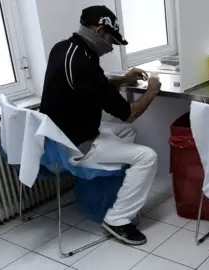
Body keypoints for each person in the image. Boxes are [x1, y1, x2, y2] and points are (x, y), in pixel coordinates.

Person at [40, 5, 162, 245]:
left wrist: (124, 79)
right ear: (98, 30)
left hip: (56, 136)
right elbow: (130, 113)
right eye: (111, 39)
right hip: (76, 144)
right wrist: (152, 91)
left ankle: (113, 184)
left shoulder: (64, 48)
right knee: (148, 157)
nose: (111, 46)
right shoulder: (83, 63)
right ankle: (118, 220)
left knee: (127, 133)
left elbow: (93, 83)